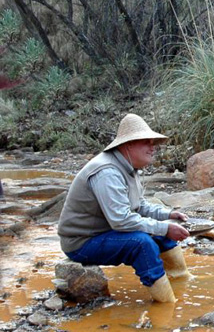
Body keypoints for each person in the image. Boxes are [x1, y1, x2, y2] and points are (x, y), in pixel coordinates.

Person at [58, 114, 191, 303]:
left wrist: (168, 215)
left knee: (160, 230)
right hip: (82, 243)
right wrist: (166, 228)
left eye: (153, 142)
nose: (152, 147)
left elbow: (140, 205)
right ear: (128, 144)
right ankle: (166, 303)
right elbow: (121, 220)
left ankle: (182, 281)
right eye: (146, 142)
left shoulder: (128, 166)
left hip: (104, 232)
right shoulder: (107, 172)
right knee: (142, 243)